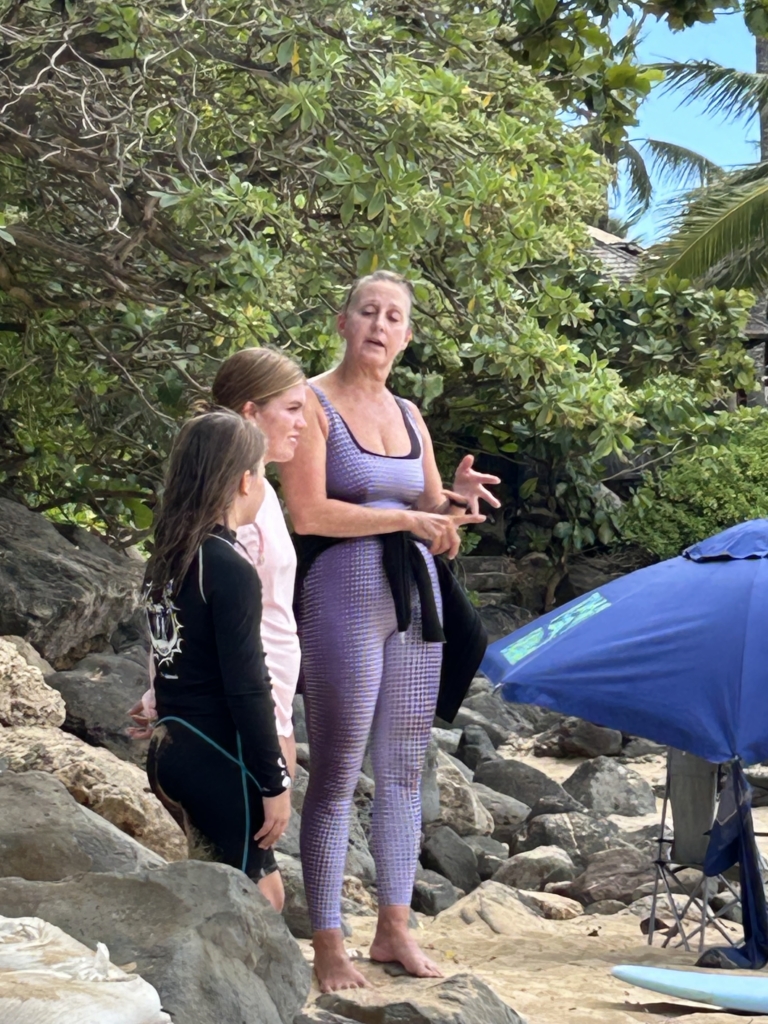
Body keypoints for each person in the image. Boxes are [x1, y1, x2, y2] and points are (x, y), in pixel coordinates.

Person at [280, 270, 500, 992]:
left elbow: (430, 507)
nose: (379, 324)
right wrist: (411, 518)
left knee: (406, 768)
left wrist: (451, 505)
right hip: (341, 594)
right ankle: (328, 942)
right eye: (367, 311)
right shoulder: (308, 403)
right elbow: (307, 513)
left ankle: (395, 930)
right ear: (343, 322)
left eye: (394, 316)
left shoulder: (409, 412)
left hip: (413, 601)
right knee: (339, 770)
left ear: (406, 337)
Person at [143, 411, 292, 912]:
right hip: (218, 757)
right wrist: (275, 782)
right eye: (263, 473)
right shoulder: (228, 567)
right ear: (245, 480)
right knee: (261, 898)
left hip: (170, 750)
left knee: (209, 890)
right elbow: (249, 687)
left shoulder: (167, 556)